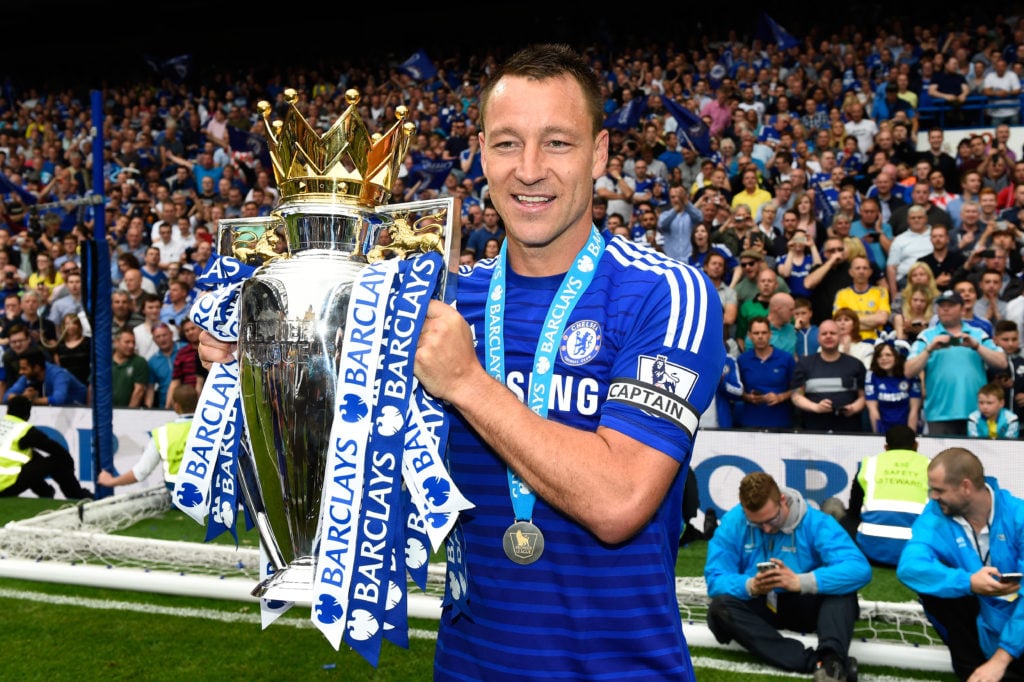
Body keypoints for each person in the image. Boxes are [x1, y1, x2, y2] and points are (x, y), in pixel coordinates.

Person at [200, 43, 725, 680]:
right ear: (480, 152)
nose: (529, 170)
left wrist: (470, 383)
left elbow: (619, 503)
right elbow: (363, 476)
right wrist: (272, 358)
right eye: (507, 144)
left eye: (557, 142)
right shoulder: (437, 305)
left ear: (601, 152)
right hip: (467, 666)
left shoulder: (665, 293)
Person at [704, 471, 870, 682]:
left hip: (805, 604)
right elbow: (715, 578)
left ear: (783, 501)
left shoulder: (815, 522)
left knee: (843, 592)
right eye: (756, 523)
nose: (766, 528)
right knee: (720, 608)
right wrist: (750, 586)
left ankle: (831, 660)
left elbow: (858, 568)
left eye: (771, 520)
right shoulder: (734, 522)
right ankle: (815, 663)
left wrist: (801, 582)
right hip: (760, 603)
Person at [897, 447, 1024, 682]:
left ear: (966, 487)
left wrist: (1001, 659)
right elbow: (909, 567)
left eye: (939, 490)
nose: (932, 496)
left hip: (1017, 626)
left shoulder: (1018, 515)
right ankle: (973, 669)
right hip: (974, 622)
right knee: (937, 586)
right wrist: (968, 582)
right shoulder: (935, 515)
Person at [905, 289, 1008, 436]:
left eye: (951, 305)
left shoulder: (978, 334)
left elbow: (1002, 362)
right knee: (942, 459)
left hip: (977, 414)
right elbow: (908, 370)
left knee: (975, 458)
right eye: (942, 306)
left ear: (962, 309)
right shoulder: (927, 336)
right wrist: (929, 349)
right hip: (939, 413)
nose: (945, 309)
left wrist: (977, 346)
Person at [843, 424, 929, 567]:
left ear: (886, 448)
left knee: (842, 516)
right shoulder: (931, 465)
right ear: (916, 445)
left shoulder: (870, 464)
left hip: (870, 551)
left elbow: (854, 510)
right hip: (915, 552)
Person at [98, 384, 198, 490]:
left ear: (176, 405)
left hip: (179, 498)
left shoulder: (163, 433)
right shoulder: (212, 430)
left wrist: (111, 481)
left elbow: (141, 471)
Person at [0, 395, 92, 499]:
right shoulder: (25, 431)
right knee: (57, 461)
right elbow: (58, 451)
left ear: (7, 411)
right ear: (28, 416)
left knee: (32, 456)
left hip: (5, 480)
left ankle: (46, 492)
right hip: (5, 485)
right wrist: (70, 466)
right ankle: (78, 496)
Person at [790, 318, 867, 433]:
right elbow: (796, 396)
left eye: (833, 333)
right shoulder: (804, 364)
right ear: (818, 339)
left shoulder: (855, 364)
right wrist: (816, 407)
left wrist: (853, 408)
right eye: (824, 334)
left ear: (840, 337)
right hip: (813, 430)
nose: (828, 336)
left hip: (849, 431)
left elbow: (864, 396)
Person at [736, 316, 795, 429]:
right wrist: (748, 397)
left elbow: (799, 388)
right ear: (749, 335)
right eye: (756, 333)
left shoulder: (786, 358)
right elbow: (737, 389)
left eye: (764, 332)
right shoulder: (742, 360)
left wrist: (780, 397)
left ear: (770, 334)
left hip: (781, 423)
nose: (760, 337)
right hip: (750, 422)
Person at [865, 341, 922, 434]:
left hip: (907, 427)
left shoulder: (910, 374)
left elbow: (914, 410)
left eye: (888, 355)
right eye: (879, 356)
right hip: (883, 428)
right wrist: (878, 436)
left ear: (897, 356)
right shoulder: (871, 376)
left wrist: (910, 437)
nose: (884, 358)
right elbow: (873, 410)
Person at [4, 347, 88, 406]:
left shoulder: (58, 374)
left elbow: (58, 399)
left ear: (37, 368)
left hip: (78, 410)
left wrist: (31, 400)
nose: (20, 372)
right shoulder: (27, 376)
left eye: (24, 368)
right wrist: (23, 397)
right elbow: (6, 396)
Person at [833, 255, 891, 340]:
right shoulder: (841, 294)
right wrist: (872, 320)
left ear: (870, 272)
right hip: (849, 341)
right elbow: (840, 324)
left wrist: (851, 322)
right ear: (851, 272)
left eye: (865, 268)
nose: (861, 271)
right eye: (858, 268)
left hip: (874, 342)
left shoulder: (881, 292)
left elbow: (882, 319)